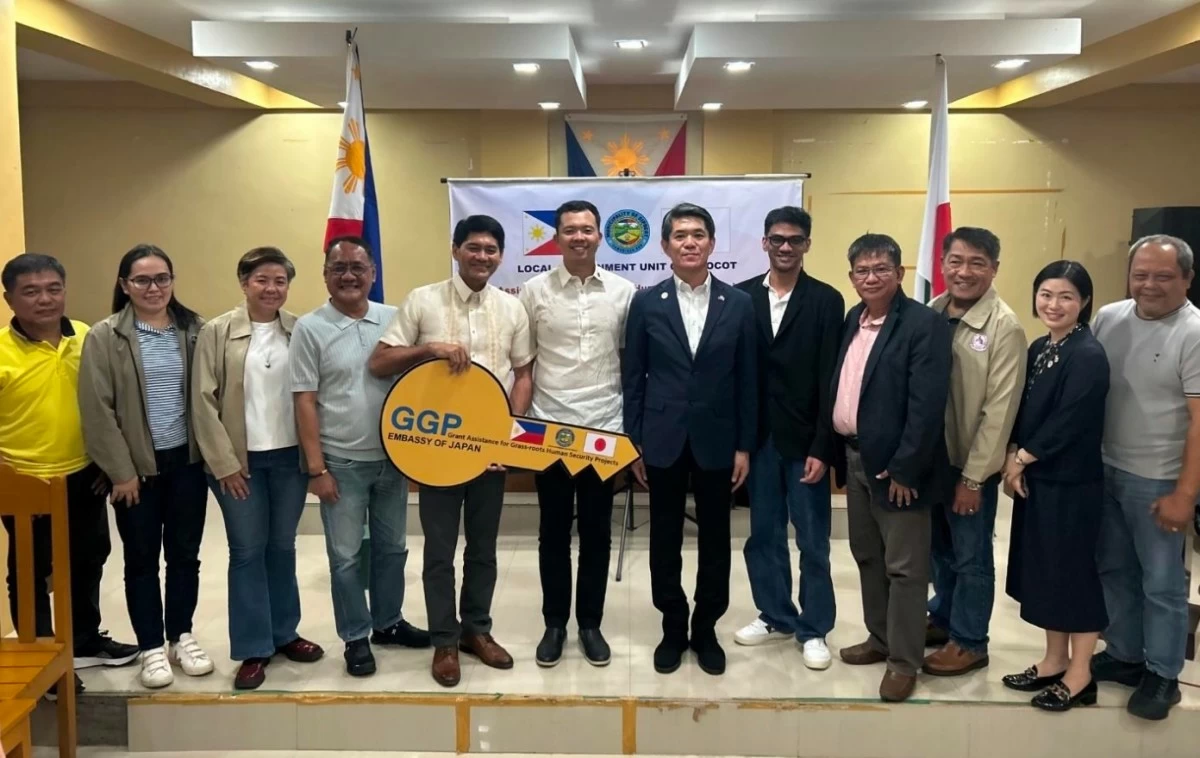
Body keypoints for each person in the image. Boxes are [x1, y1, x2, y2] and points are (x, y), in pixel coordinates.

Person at [369, 215, 534, 687]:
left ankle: (475, 632)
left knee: (483, 549)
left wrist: (506, 435)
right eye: (473, 247)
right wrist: (430, 350)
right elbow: (380, 362)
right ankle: (444, 639)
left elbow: (523, 375)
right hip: (437, 449)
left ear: (501, 256)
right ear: (456, 248)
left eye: (491, 249)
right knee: (439, 551)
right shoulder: (423, 301)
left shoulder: (512, 308)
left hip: (489, 452)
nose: (482, 256)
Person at [622, 202, 757, 677]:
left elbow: (747, 380)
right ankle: (673, 625)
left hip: (719, 439)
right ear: (665, 247)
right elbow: (633, 375)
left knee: (717, 538)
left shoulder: (739, 304)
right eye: (680, 235)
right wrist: (633, 441)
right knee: (664, 536)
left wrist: (744, 445)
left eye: (699, 234)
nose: (690, 242)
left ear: (712, 244)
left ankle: (706, 627)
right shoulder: (645, 303)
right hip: (661, 438)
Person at [291, 236, 429, 679]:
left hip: (392, 461)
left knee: (393, 548)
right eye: (339, 269)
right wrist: (317, 469)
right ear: (326, 276)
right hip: (341, 464)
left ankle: (388, 622)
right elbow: (305, 401)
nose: (348, 275)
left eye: (357, 267)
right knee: (346, 557)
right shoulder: (310, 329)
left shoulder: (393, 321)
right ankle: (355, 635)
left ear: (372, 272)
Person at [0, 254, 139, 696]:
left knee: (88, 557)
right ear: (9, 298)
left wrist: (106, 461)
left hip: (84, 475)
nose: (45, 299)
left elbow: (106, 404)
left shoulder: (87, 337)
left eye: (53, 288)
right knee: (31, 570)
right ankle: (43, 662)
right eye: (31, 291)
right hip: (25, 482)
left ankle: (82, 640)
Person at [78, 244, 212, 689]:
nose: (154, 288)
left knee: (184, 557)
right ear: (124, 286)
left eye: (162, 279)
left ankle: (181, 636)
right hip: (134, 470)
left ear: (173, 281)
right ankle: (152, 647)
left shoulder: (195, 329)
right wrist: (120, 471)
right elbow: (97, 409)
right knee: (140, 560)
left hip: (187, 464)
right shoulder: (105, 335)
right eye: (142, 280)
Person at [192, 247, 325, 691]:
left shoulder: (299, 330)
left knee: (282, 547)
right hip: (239, 464)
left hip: (289, 459)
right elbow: (203, 404)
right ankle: (253, 646)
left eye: (280, 281)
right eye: (262, 280)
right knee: (247, 551)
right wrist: (225, 464)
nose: (272, 289)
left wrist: (314, 459)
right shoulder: (216, 332)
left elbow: (312, 395)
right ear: (244, 282)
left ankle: (285, 633)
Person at [832, 233, 951, 703]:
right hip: (856, 457)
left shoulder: (922, 325)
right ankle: (879, 639)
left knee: (905, 568)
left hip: (899, 471)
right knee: (867, 556)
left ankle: (905, 661)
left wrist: (905, 468)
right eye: (862, 270)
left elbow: (926, 406)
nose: (871, 277)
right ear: (852, 276)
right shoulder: (852, 320)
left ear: (900, 274)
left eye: (881, 268)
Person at [519, 200, 635, 668]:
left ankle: (590, 624)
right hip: (547, 428)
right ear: (557, 237)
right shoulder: (532, 291)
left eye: (588, 229)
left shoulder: (624, 292)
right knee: (551, 533)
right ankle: (554, 624)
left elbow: (630, 363)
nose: (579, 237)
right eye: (570, 230)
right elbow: (522, 365)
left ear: (600, 236)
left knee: (597, 534)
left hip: (604, 427)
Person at [1090, 234, 1200, 721]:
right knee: (1113, 569)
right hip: (1105, 469)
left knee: (1162, 583)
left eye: (1163, 275)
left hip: (1158, 480)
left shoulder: (1194, 332)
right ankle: (1125, 653)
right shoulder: (1109, 317)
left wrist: (1185, 493)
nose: (1149, 285)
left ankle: (1163, 673)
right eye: (1141, 274)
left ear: (1186, 279)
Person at [732, 206, 844, 671]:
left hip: (805, 444)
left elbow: (830, 379)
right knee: (764, 535)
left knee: (813, 540)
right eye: (777, 239)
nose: (784, 247)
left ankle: (814, 627)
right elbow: (738, 377)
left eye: (794, 240)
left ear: (806, 245)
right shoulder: (741, 298)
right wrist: (739, 443)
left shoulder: (826, 299)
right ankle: (775, 613)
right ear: (764, 242)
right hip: (758, 441)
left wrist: (823, 446)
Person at [1001, 260, 1109, 712]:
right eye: (1046, 293)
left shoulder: (1087, 354)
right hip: (1040, 478)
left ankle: (1081, 674)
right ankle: (1053, 660)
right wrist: (1014, 454)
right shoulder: (1042, 346)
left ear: (1084, 302)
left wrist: (1021, 458)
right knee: (1047, 574)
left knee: (1074, 577)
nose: (1054, 304)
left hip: (1072, 484)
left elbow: (1070, 420)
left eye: (1066, 296)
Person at [923, 227, 1026, 676]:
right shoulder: (930, 312)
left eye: (977, 263)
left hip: (969, 466)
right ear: (942, 265)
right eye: (956, 261)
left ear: (994, 269)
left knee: (971, 557)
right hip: (932, 462)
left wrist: (972, 478)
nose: (964, 272)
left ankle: (969, 640)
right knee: (938, 551)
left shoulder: (1005, 327)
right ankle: (944, 616)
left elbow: (999, 411)